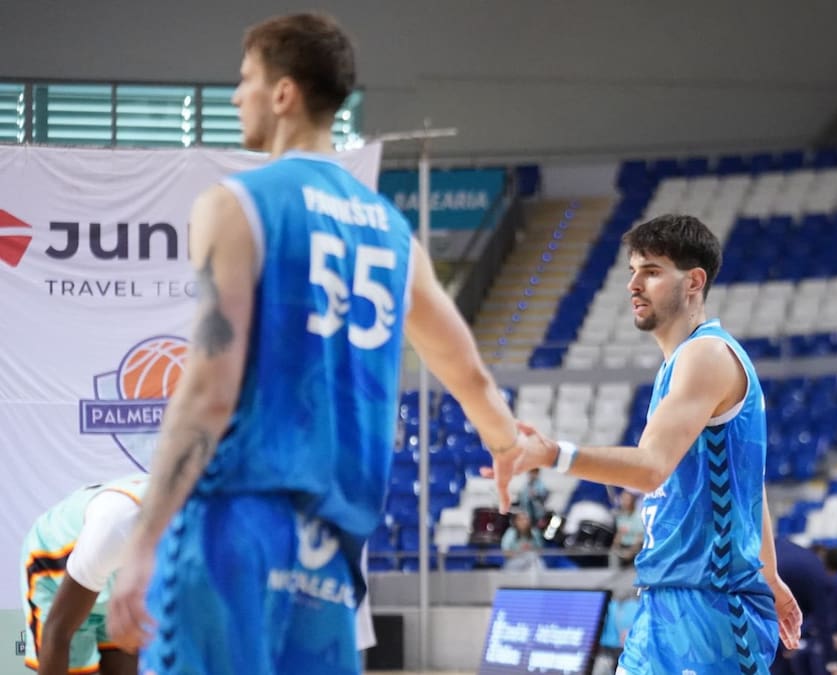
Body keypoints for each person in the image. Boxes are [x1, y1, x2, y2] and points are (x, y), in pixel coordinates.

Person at [105, 13, 529, 673]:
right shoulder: (393, 233)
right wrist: (505, 444)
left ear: (282, 93)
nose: (235, 96)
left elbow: (210, 391)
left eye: (245, 79)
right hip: (328, 554)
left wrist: (143, 542)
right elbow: (467, 372)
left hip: (234, 527)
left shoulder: (236, 203)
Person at [505, 214, 802, 673]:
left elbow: (650, 468)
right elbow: (748, 485)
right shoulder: (680, 363)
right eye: (632, 271)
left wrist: (554, 454)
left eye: (652, 271)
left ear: (694, 281)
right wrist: (770, 573)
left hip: (710, 606)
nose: (633, 285)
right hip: (667, 596)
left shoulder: (706, 354)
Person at [20, 474, 147, 675]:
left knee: (124, 661)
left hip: (117, 568)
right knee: (69, 658)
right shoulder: (117, 522)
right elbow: (59, 631)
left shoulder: (191, 520)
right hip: (55, 567)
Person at [771, 539, 837, 675]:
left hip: (764, 567)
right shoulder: (819, 575)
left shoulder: (801, 555)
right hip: (773, 578)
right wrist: (832, 662)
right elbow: (822, 622)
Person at [611, 490, 645, 567]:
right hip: (623, 549)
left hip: (636, 550)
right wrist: (615, 548)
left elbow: (640, 537)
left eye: (627, 500)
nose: (624, 502)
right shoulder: (620, 516)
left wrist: (631, 552)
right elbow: (619, 534)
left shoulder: (638, 517)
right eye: (623, 499)